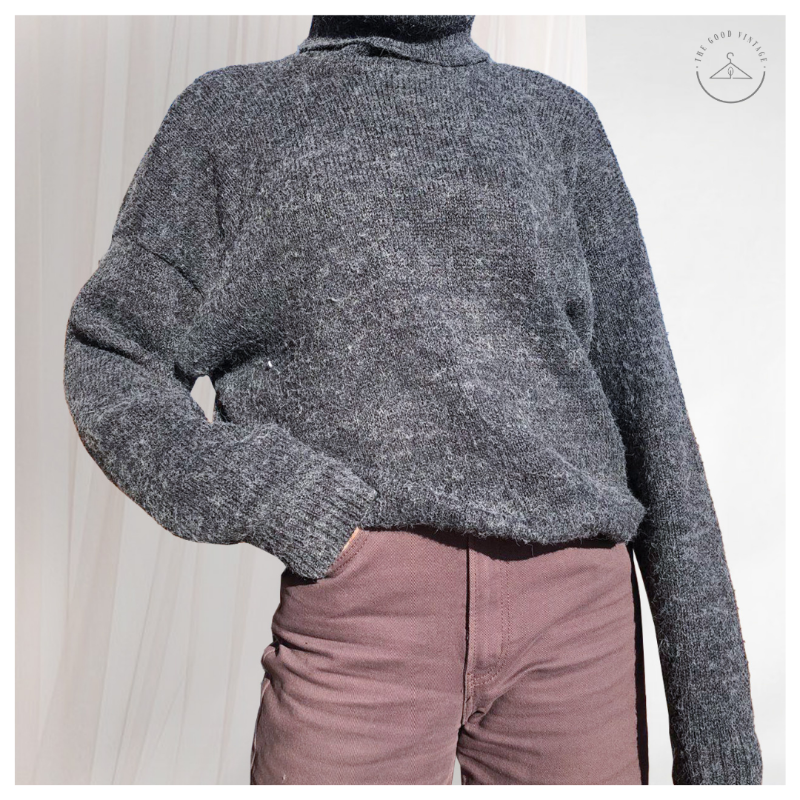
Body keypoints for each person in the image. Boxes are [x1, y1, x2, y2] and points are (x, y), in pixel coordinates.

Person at [62, 14, 762, 785]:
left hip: (575, 627)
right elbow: (114, 354)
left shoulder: (555, 121)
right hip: (363, 614)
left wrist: (720, 754)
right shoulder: (232, 120)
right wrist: (276, 492)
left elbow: (650, 411)